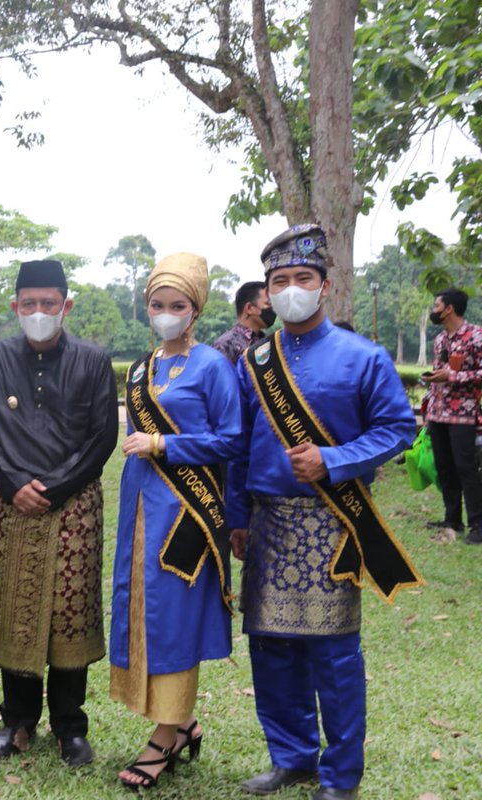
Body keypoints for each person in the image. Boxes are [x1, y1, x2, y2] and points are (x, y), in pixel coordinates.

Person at [228, 224, 422, 800]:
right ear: (267, 292)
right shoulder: (254, 361)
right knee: (270, 649)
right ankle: (292, 758)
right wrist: (236, 514)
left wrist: (335, 460)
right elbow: (239, 445)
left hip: (331, 522)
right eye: (279, 281)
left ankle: (340, 777)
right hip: (265, 523)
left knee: (333, 656)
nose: (291, 289)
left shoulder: (363, 357)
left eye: (302, 279)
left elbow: (398, 429)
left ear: (326, 286)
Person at [0, 259, 118, 768]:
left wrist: (55, 487)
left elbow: (104, 436)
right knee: (16, 608)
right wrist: (14, 484)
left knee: (69, 614)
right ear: (15, 307)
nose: (39, 312)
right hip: (13, 504)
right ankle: (16, 721)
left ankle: (69, 727)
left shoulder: (93, 360)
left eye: (49, 304)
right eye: (29, 304)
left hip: (74, 504)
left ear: (66, 306)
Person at [109, 253, 241, 789]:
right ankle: (182, 722)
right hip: (141, 505)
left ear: (195, 310)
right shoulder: (141, 368)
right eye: (157, 305)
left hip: (188, 512)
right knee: (142, 608)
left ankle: (164, 735)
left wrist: (164, 442)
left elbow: (232, 438)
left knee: (174, 615)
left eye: (177, 305)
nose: (166, 313)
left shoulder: (212, 365)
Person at [423, 288, 482, 544]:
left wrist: (454, 376)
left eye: (437, 306)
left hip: (463, 414)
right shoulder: (439, 340)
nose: (434, 311)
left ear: (448, 309)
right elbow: (442, 372)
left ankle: (478, 525)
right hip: (438, 413)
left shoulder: (476, 336)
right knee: (445, 468)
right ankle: (452, 519)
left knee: (466, 468)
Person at [212, 281, 275, 363]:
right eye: (268, 304)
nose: (273, 309)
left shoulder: (266, 342)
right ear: (249, 308)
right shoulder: (225, 345)